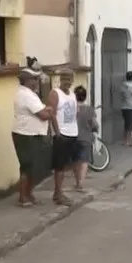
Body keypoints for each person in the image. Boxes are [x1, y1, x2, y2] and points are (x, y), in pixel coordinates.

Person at [11, 67, 53, 207]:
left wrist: (47, 110)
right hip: (26, 135)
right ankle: (23, 197)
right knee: (27, 166)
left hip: (30, 134)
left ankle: (28, 194)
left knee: (33, 167)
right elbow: (43, 114)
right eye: (34, 79)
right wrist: (49, 111)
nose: (36, 81)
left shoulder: (28, 94)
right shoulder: (26, 95)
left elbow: (42, 110)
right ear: (27, 81)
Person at [47, 69, 80, 206]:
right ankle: (57, 194)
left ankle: (59, 192)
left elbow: (75, 113)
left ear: (72, 80)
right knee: (59, 167)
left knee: (67, 166)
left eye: (69, 79)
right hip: (62, 135)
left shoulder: (72, 95)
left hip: (72, 134)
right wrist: (57, 133)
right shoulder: (55, 93)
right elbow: (51, 113)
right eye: (64, 78)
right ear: (60, 79)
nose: (67, 82)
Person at [73, 85, 98, 191]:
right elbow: (94, 124)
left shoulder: (72, 108)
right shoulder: (89, 109)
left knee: (75, 161)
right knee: (84, 161)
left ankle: (77, 181)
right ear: (85, 96)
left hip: (73, 138)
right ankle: (81, 183)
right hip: (85, 139)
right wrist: (95, 129)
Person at [120, 71, 132, 146]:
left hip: (124, 107)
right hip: (131, 107)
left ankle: (124, 141)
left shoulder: (123, 86)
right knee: (130, 125)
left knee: (126, 124)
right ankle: (128, 141)